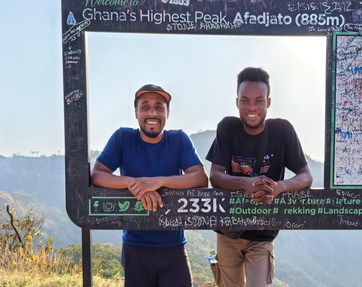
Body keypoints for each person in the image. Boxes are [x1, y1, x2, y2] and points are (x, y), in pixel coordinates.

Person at [91, 84, 208, 287]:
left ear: (167, 113)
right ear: (135, 112)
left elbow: (200, 178)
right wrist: (134, 184)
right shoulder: (123, 138)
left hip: (173, 246)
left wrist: (159, 181)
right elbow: (97, 175)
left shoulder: (178, 140)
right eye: (145, 107)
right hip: (135, 247)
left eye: (159, 107)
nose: (152, 113)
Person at [206, 67, 313, 287]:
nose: (252, 107)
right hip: (227, 231)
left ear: (268, 102)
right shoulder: (227, 128)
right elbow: (215, 175)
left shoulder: (282, 131)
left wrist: (279, 187)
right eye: (245, 101)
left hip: (263, 233)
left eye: (259, 101)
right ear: (237, 102)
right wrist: (244, 183)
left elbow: (306, 176)